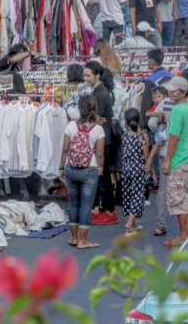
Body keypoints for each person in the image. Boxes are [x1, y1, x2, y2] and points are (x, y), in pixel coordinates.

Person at [59, 94, 105, 247]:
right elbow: (99, 154)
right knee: (86, 205)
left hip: (71, 169)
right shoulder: (98, 129)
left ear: (79, 108)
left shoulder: (71, 125)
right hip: (89, 170)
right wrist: (100, 167)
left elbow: (65, 149)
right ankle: (83, 241)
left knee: (73, 204)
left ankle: (73, 238)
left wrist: (61, 167)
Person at [161, 77, 188, 248]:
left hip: (179, 160)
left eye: (173, 90)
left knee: (179, 200)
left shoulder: (177, 111)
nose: (170, 92)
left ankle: (184, 235)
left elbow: (174, 137)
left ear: (183, 92)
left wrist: (167, 159)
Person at [82, 62, 118, 225]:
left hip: (101, 140)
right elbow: (94, 117)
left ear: (97, 75)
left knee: (102, 176)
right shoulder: (99, 92)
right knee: (100, 176)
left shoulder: (100, 94)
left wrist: (91, 117)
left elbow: (94, 117)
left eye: (88, 75)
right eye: (85, 75)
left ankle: (108, 210)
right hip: (101, 139)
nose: (86, 78)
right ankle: (101, 208)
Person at [120, 108, 150, 236]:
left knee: (128, 194)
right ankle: (129, 223)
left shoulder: (124, 136)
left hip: (125, 168)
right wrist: (152, 171)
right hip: (137, 168)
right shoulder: (142, 136)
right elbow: (146, 154)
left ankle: (133, 222)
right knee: (138, 195)